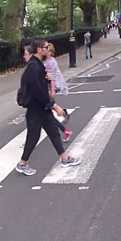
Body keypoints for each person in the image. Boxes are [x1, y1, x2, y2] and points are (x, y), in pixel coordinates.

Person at [16, 39, 81, 176]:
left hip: (41, 108)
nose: (49, 49)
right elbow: (37, 91)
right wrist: (54, 105)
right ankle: (22, 164)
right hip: (35, 108)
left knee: (53, 131)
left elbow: (39, 86)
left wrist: (48, 80)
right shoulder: (33, 66)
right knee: (33, 137)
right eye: (46, 47)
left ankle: (64, 158)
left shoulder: (38, 64)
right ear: (40, 50)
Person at [45, 43, 73, 142]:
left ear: (51, 52)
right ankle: (64, 113)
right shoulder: (48, 61)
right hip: (50, 87)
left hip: (53, 87)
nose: (45, 51)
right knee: (47, 111)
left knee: (46, 112)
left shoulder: (50, 62)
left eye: (47, 50)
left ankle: (65, 130)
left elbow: (49, 77)